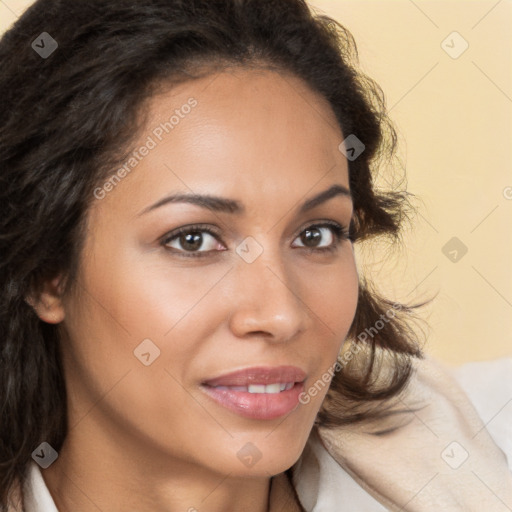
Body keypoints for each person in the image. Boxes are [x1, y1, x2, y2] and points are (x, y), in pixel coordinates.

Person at [0, 1, 510, 511]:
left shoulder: (468, 438)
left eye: (316, 235)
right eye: (194, 240)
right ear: (48, 273)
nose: (282, 315)